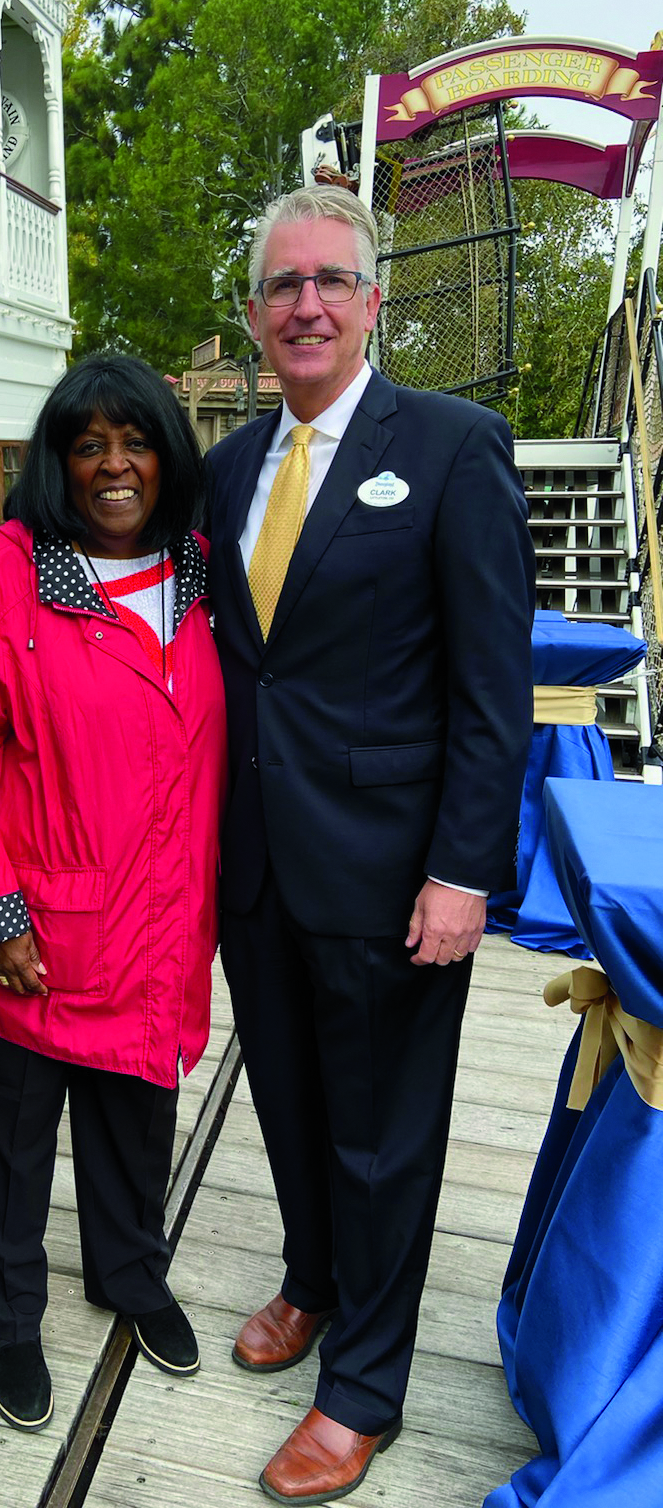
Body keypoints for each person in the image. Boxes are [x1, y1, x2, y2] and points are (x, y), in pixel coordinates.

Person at [205, 186, 534, 1506]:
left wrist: (464, 870)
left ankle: (364, 1386)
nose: (307, 305)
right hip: (259, 863)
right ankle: (314, 1280)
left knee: (386, 1135)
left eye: (331, 280)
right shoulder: (228, 467)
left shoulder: (453, 447)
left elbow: (490, 688)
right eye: (283, 286)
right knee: (288, 1103)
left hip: (396, 874)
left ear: (373, 299)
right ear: (254, 315)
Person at [0, 354, 227, 1433]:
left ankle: (130, 1274)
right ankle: (7, 1311)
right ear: (56, 461)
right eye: (87, 443)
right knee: (8, 1141)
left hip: (157, 919)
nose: (112, 464)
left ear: (165, 455)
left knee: (138, 1122)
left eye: (134, 440)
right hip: (32, 929)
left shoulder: (197, 571)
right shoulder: (5, 576)